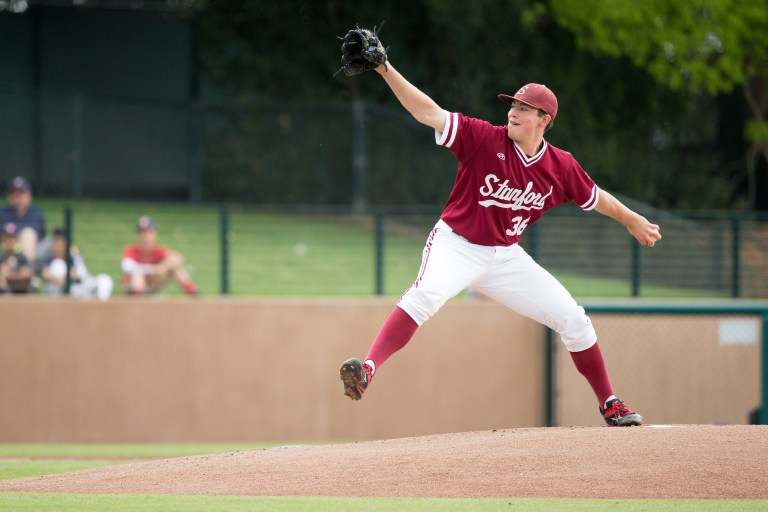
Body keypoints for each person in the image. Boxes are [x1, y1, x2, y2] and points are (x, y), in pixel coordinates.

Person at [337, 31, 662, 427]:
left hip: (505, 257)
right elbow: (429, 112)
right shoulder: (482, 138)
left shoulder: (560, 166)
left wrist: (631, 219)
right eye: (513, 104)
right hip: (456, 244)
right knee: (424, 295)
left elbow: (596, 197)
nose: (513, 111)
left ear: (544, 120)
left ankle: (609, 402)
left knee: (573, 319)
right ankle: (368, 369)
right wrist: (385, 69)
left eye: (524, 108)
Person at [120, 215, 198, 296]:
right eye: (141, 232)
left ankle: (193, 295)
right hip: (132, 287)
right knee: (137, 274)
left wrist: (163, 267)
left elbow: (178, 258)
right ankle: (135, 301)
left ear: (155, 234)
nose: (145, 236)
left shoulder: (158, 251)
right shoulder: (130, 250)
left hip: (152, 286)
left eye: (148, 233)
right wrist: (153, 269)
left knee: (176, 269)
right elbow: (127, 267)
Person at [41, 228, 113, 301]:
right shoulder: (50, 258)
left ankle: (99, 309)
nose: (57, 248)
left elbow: (81, 274)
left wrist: (76, 257)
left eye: (60, 245)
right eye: (55, 244)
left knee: (105, 280)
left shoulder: (73, 258)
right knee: (58, 266)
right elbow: (45, 274)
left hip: (80, 290)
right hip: (60, 294)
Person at [0, 176, 49, 267]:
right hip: (7, 253)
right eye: (14, 193)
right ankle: (29, 275)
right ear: (8, 196)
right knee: (27, 236)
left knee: (64, 242)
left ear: (29, 196)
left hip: (35, 251)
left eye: (21, 193)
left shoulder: (36, 213)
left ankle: (80, 275)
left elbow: (42, 238)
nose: (17, 197)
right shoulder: (2, 213)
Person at [0, 222, 34, 294]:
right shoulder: (1, 257)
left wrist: (11, 275)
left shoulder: (21, 257)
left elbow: (26, 274)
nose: (10, 241)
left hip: (21, 288)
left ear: (17, 240)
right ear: (2, 240)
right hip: (5, 290)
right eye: (7, 238)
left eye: (12, 238)